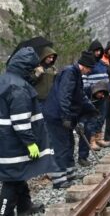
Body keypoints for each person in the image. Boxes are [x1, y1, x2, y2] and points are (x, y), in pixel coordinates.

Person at [0, 47, 58, 215]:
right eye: (33, 67)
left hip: (6, 139)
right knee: (11, 180)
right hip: (13, 142)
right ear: (26, 67)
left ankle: (25, 207)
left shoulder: (5, 80)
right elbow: (20, 121)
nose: (35, 70)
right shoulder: (18, 88)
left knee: (19, 174)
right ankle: (4, 212)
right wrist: (31, 143)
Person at [44, 51, 97, 189]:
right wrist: (67, 116)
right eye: (90, 68)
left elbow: (80, 96)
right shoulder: (70, 72)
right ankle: (59, 180)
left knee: (69, 143)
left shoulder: (76, 73)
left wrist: (90, 109)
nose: (90, 71)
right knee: (60, 146)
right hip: (56, 116)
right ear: (84, 65)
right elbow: (64, 96)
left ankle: (69, 173)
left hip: (64, 115)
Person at [82, 39, 110, 151]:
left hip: (103, 95)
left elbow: (106, 78)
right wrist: (90, 92)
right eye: (96, 51)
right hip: (92, 96)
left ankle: (99, 138)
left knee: (102, 116)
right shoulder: (88, 63)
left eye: (100, 51)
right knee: (92, 118)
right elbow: (84, 79)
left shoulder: (102, 64)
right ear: (91, 51)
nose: (98, 53)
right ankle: (92, 140)